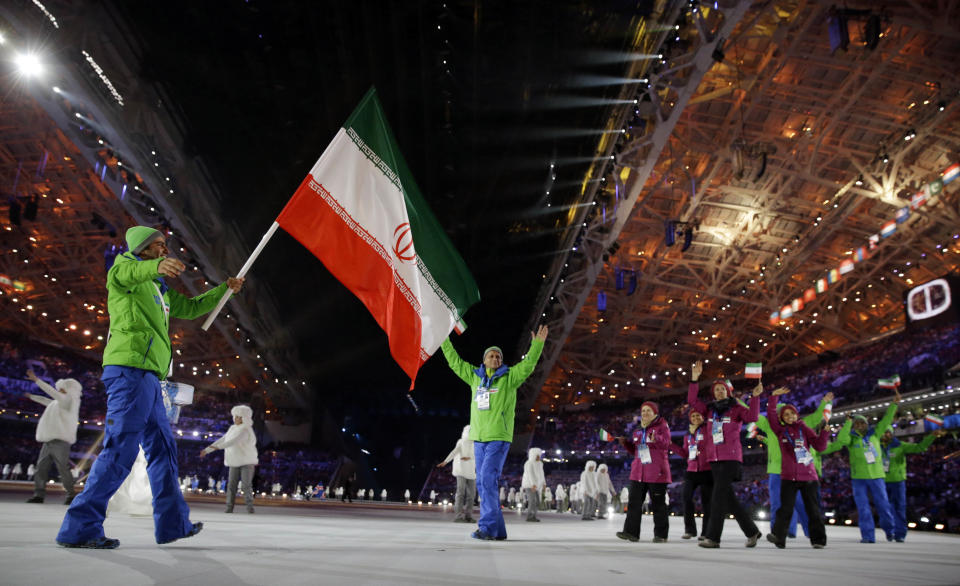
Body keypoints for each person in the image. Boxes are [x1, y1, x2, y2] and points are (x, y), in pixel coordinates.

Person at [56, 226, 244, 549]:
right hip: (129, 371)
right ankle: (79, 528)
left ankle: (172, 524)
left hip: (150, 378)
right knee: (120, 451)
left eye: (164, 247)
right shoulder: (123, 272)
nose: (164, 251)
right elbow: (128, 271)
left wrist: (224, 291)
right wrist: (153, 267)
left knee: (163, 450)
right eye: (158, 246)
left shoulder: (159, 291)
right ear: (141, 249)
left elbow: (191, 307)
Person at [440, 325, 548, 541]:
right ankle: (498, 530)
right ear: (484, 359)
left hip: (498, 438)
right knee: (483, 482)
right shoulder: (474, 377)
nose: (496, 358)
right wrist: (443, 340)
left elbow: (528, 365)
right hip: (478, 439)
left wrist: (537, 345)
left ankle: (487, 527)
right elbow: (454, 361)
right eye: (492, 355)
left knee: (487, 479)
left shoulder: (509, 378)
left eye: (499, 356)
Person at [688, 360, 764, 548]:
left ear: (728, 391)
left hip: (730, 458)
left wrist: (755, 398)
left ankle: (713, 538)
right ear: (713, 393)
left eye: (722, 389)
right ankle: (752, 531)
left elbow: (752, 417)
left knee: (718, 497)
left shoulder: (736, 408)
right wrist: (694, 379)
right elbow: (692, 401)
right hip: (714, 459)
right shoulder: (710, 410)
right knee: (728, 499)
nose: (719, 392)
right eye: (716, 390)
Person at [754, 391, 833, 539]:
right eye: (780, 413)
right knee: (779, 505)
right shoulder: (772, 426)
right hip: (777, 471)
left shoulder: (802, 426)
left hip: (799, 471)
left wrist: (824, 403)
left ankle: (811, 533)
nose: (782, 415)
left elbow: (817, 417)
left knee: (802, 505)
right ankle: (779, 533)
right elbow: (753, 415)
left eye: (788, 413)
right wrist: (736, 400)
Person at [826, 390, 900, 543]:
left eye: (862, 423)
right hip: (858, 478)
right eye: (856, 423)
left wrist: (894, 404)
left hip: (877, 476)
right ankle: (868, 536)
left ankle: (890, 531)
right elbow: (841, 438)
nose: (859, 425)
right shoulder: (851, 439)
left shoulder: (875, 434)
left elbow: (886, 420)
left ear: (867, 424)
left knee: (883, 505)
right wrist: (847, 422)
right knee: (863, 508)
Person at [23, 369, 82, 505]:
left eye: (62, 389)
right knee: (41, 468)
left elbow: (51, 393)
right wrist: (32, 397)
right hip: (49, 440)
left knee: (63, 468)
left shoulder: (69, 402)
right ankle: (39, 495)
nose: (60, 391)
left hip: (61, 441)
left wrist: (37, 380)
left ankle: (71, 495)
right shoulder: (57, 403)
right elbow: (46, 400)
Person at [617, 401, 672, 543]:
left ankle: (661, 535)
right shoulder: (638, 431)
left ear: (655, 413)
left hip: (657, 473)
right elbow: (635, 451)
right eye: (643, 411)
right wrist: (626, 444)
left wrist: (657, 438)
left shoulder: (662, 426)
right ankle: (631, 532)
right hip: (638, 473)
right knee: (634, 503)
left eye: (648, 411)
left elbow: (666, 443)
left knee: (658, 504)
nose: (645, 413)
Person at [881, 428, 944, 542]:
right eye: (883, 432)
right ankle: (889, 532)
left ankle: (900, 534)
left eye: (888, 432)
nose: (885, 434)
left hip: (897, 481)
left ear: (891, 434)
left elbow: (919, 447)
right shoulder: (876, 446)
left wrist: (931, 436)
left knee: (899, 508)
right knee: (884, 508)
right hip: (881, 481)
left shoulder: (900, 445)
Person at [200, 405, 258, 514]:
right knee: (231, 485)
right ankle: (229, 507)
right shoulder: (232, 428)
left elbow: (232, 442)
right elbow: (222, 439)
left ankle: (250, 507)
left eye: (238, 417)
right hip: (234, 461)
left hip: (247, 461)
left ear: (244, 418)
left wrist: (217, 448)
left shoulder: (246, 430)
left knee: (246, 485)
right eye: (235, 416)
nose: (235, 419)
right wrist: (207, 450)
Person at [671, 409, 712, 540]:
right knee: (686, 497)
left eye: (697, 415)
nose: (695, 418)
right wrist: (672, 446)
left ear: (703, 417)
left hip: (707, 469)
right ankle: (690, 530)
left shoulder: (708, 429)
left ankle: (706, 532)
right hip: (691, 470)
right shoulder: (687, 434)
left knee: (707, 502)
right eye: (692, 416)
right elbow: (685, 453)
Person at [437, 425, 476, 522]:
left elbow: (478, 455)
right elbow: (454, 452)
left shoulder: (476, 443)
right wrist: (446, 461)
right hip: (461, 471)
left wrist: (470, 458)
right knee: (460, 493)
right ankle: (458, 516)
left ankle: (468, 516)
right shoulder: (461, 442)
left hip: (471, 472)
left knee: (471, 496)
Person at [521, 447, 545, 522]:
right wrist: (533, 484)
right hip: (529, 485)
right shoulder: (528, 463)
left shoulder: (540, 464)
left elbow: (542, 474)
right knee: (532, 501)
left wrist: (544, 483)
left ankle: (533, 515)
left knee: (537, 501)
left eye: (539, 455)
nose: (539, 457)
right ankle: (530, 516)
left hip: (537, 485)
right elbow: (530, 474)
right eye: (537, 455)